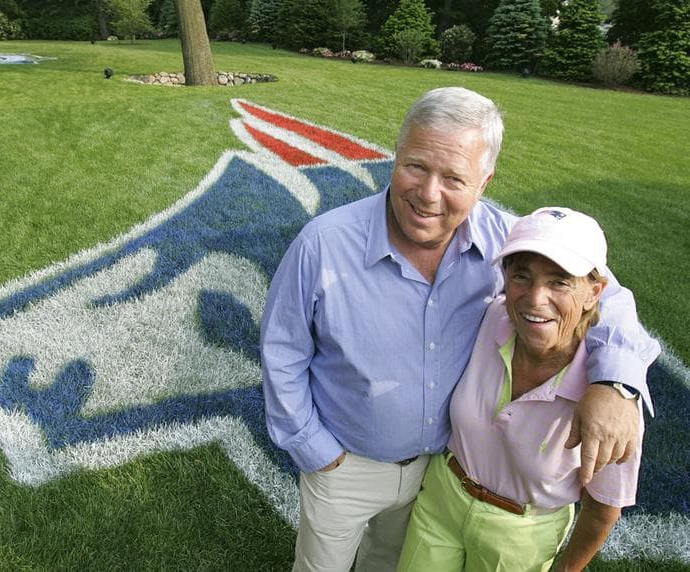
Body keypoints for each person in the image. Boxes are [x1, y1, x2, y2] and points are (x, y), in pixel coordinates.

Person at [260, 87, 658, 572]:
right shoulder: (323, 243)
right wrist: (313, 448)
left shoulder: (506, 239)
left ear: (484, 181)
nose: (428, 194)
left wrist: (615, 383)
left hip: (437, 470)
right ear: (396, 154)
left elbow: (604, 292)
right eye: (416, 166)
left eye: (453, 177)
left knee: (388, 563)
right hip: (345, 464)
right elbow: (282, 351)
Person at [397, 207, 660, 572]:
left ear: (594, 292)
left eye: (559, 282)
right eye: (522, 276)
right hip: (441, 499)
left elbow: (602, 509)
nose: (535, 298)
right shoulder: (491, 319)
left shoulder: (613, 402)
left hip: (520, 538)